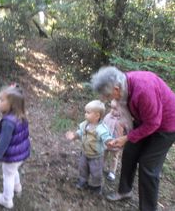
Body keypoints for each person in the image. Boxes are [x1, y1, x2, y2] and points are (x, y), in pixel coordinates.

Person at [91, 66, 175, 211]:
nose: (110, 99)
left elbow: (154, 123)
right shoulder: (124, 84)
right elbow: (130, 115)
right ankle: (125, 191)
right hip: (147, 120)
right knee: (130, 152)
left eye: (109, 95)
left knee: (148, 166)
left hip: (167, 126)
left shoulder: (143, 90)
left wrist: (127, 137)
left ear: (116, 89)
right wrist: (125, 135)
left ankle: (148, 208)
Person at [0, 85, 31, 209]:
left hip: (12, 154)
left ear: (11, 105)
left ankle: (7, 199)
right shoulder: (21, 115)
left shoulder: (9, 122)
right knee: (13, 170)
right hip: (21, 153)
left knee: (7, 175)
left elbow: (4, 142)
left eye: (2, 100)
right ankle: (17, 186)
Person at [66, 100, 113, 194]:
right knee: (82, 168)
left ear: (97, 115)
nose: (85, 114)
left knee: (96, 172)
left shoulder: (101, 128)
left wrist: (109, 141)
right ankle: (83, 181)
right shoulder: (85, 124)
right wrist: (74, 136)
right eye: (85, 112)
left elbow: (106, 136)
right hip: (84, 152)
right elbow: (80, 132)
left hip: (96, 156)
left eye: (88, 112)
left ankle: (96, 186)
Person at [103, 99, 133, 181]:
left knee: (114, 158)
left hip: (116, 143)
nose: (112, 110)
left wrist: (125, 140)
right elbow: (102, 126)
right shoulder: (108, 116)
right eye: (111, 108)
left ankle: (112, 172)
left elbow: (128, 132)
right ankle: (101, 166)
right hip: (106, 141)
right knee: (103, 154)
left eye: (115, 109)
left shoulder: (124, 120)